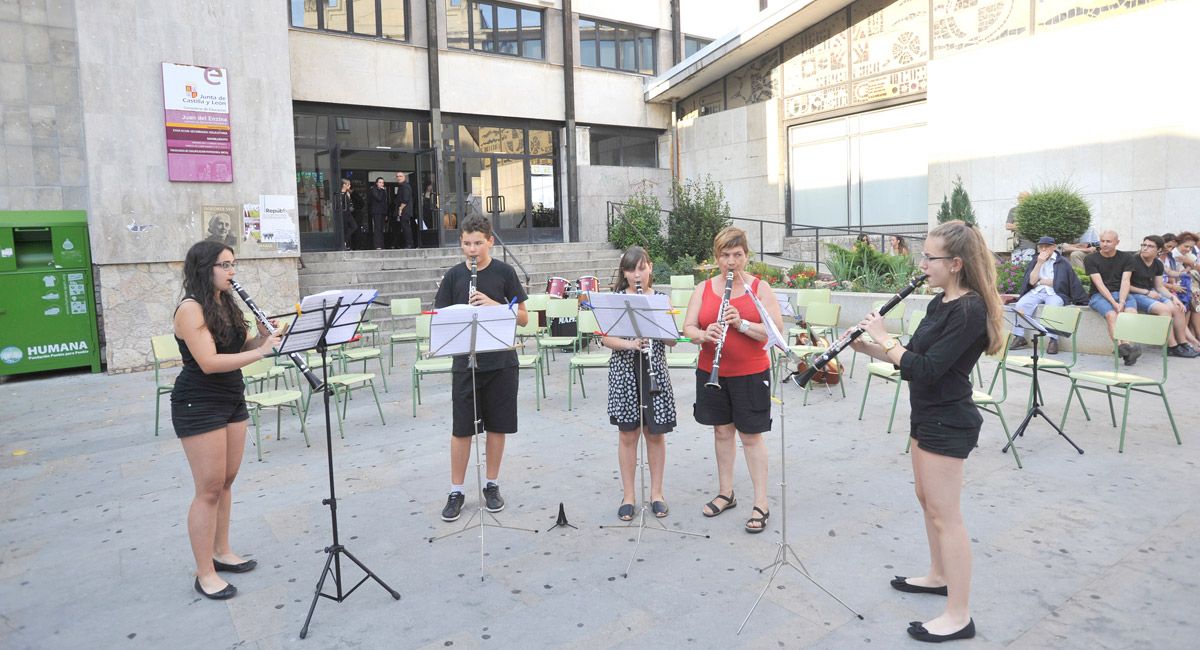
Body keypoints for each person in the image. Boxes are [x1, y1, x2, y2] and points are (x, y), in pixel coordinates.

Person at [850, 220, 1003, 643]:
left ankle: (959, 615)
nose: (922, 264)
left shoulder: (969, 310)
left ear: (955, 263)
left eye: (929, 257)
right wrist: (866, 345)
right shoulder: (940, 304)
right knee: (927, 501)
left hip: (948, 419)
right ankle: (938, 576)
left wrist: (886, 338)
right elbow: (914, 357)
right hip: (926, 413)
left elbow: (930, 370)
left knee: (946, 515)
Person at [171, 241, 282, 600]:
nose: (232, 271)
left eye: (233, 264)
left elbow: (240, 348)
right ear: (206, 269)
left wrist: (262, 338)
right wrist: (263, 353)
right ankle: (204, 572)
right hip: (199, 401)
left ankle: (222, 551)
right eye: (225, 265)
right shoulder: (190, 309)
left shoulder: (226, 303)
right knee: (208, 489)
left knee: (227, 481)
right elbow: (208, 361)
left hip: (231, 395)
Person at [682, 226, 784, 534]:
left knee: (751, 437)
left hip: (750, 373)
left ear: (746, 256)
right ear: (717, 258)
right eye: (725, 255)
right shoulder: (704, 289)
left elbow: (776, 332)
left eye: (737, 255)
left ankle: (761, 501)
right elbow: (688, 327)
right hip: (712, 372)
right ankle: (726, 492)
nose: (731, 262)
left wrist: (741, 324)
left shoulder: (759, 288)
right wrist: (703, 334)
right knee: (722, 433)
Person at [433, 215, 529, 522]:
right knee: (462, 430)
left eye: (477, 243)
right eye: (466, 243)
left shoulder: (505, 272)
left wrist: (494, 305)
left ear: (490, 241)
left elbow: (525, 317)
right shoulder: (453, 277)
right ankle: (456, 490)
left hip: (501, 362)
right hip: (466, 362)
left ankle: (491, 484)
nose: (472, 250)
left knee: (497, 426)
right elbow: (440, 318)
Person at [599, 246, 677, 521]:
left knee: (655, 434)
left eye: (642, 268)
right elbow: (606, 339)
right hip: (624, 372)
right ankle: (629, 495)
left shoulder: (661, 299)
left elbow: (672, 340)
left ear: (650, 268)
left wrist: (656, 323)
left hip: (654, 369)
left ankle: (657, 493)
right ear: (625, 273)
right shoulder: (616, 300)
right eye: (632, 269)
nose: (637, 274)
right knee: (627, 434)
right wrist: (631, 344)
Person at [1009, 236, 1087, 355]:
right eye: (1041, 247)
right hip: (1037, 291)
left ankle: (1053, 340)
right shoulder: (1036, 260)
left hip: (1055, 292)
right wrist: (1039, 263)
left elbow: (1060, 281)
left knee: (1054, 306)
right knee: (1021, 304)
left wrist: (1041, 281)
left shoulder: (1062, 262)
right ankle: (1019, 337)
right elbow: (1031, 281)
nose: (1044, 249)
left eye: (1047, 246)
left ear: (1054, 247)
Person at [1127, 235, 1198, 357]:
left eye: (1150, 246)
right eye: (1144, 245)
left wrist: (1173, 297)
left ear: (1158, 250)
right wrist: (1147, 292)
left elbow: (1159, 286)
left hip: (1152, 293)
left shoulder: (1157, 264)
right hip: (1135, 294)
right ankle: (1172, 346)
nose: (1145, 248)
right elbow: (1125, 285)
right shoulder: (1132, 261)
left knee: (1178, 307)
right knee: (1164, 309)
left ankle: (1183, 343)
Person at [1083, 230, 1140, 365]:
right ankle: (1126, 350)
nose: (1104, 244)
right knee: (1111, 315)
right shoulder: (1091, 259)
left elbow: (1125, 281)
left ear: (1117, 242)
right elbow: (1099, 284)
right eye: (1102, 241)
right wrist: (1114, 303)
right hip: (1099, 295)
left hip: (1121, 293)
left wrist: (1121, 301)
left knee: (1130, 313)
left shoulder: (1127, 258)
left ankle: (1123, 348)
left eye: (1108, 241)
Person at [1172, 231, 1200, 339]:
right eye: (1186, 246)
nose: (1188, 249)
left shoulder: (1190, 256)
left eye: (1190, 247)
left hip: (1187, 285)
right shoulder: (1173, 254)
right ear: (1178, 244)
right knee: (1194, 299)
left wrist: (1190, 264)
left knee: (1194, 300)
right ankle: (1195, 335)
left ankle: (1193, 335)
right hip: (1177, 285)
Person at [1005, 191, 1035, 262]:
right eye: (1020, 198)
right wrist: (1024, 224)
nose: (1021, 199)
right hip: (1015, 244)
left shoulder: (1032, 211)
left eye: (1024, 198)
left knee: (1027, 268)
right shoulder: (1013, 210)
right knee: (1015, 269)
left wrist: (1016, 224)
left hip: (1029, 244)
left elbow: (1033, 227)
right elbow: (1007, 226)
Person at [393, 171, 415, 249]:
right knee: (403, 227)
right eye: (397, 176)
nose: (398, 178)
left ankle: (409, 244)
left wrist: (400, 208)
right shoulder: (402, 186)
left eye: (400, 176)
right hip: (404, 211)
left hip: (405, 211)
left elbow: (405, 199)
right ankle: (404, 244)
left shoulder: (405, 186)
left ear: (404, 177)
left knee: (406, 227)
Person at [367, 177, 389, 250]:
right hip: (376, 212)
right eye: (380, 182)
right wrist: (382, 191)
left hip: (382, 212)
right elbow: (378, 198)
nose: (381, 184)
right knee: (377, 228)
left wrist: (386, 213)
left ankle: (382, 244)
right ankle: (377, 245)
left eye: (382, 182)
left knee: (381, 229)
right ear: (376, 183)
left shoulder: (383, 191)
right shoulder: (373, 190)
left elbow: (385, 202)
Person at [336, 178, 358, 251]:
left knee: (354, 226)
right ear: (344, 185)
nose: (349, 186)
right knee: (347, 228)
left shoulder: (347, 193)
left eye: (349, 184)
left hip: (348, 214)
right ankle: (345, 243)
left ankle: (345, 241)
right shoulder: (340, 194)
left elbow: (350, 204)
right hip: (344, 214)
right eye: (348, 184)